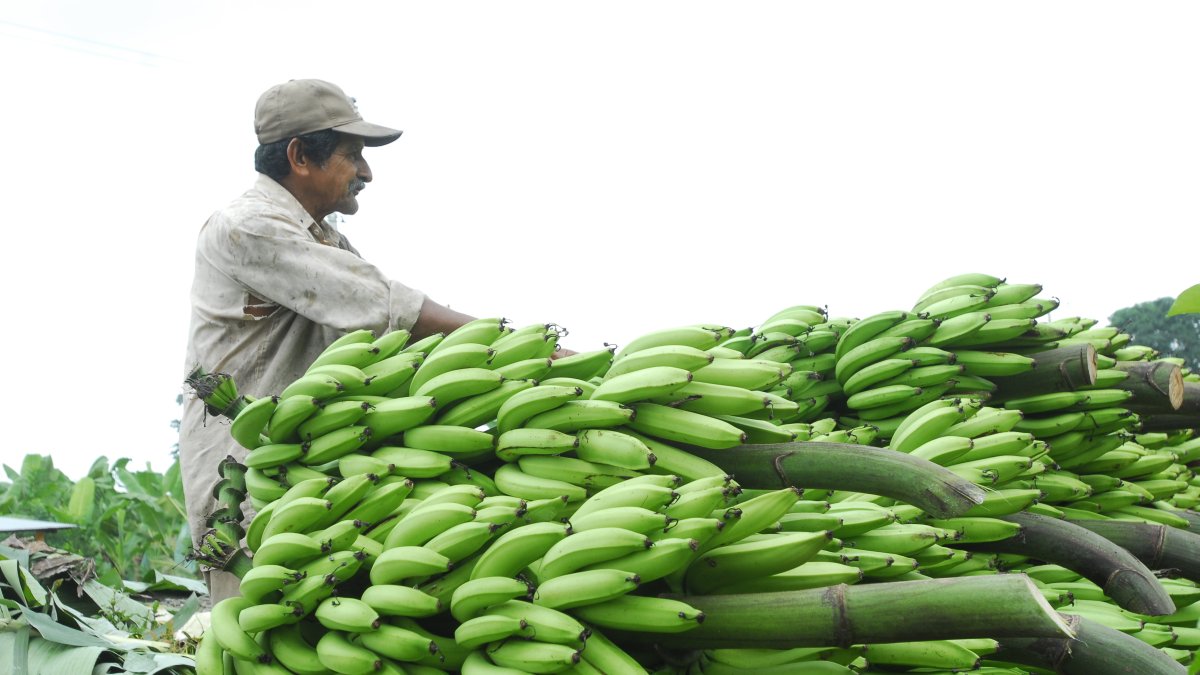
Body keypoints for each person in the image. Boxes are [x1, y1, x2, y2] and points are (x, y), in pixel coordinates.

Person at [180, 79, 487, 602]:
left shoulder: (322, 237)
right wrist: (516, 344)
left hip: (310, 464)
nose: (367, 172)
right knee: (264, 629)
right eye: (353, 156)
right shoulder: (248, 226)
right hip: (247, 482)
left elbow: (386, 343)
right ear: (300, 156)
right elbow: (389, 307)